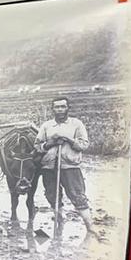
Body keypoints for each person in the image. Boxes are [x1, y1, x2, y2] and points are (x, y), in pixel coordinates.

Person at [35, 97, 99, 236]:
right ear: (53, 109)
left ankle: (90, 226)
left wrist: (68, 139)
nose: (59, 110)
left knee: (77, 195)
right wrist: (50, 143)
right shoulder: (46, 126)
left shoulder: (76, 124)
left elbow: (84, 145)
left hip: (70, 166)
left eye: (62, 107)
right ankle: (59, 219)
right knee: (52, 195)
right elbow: (37, 146)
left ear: (68, 108)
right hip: (49, 167)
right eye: (56, 107)